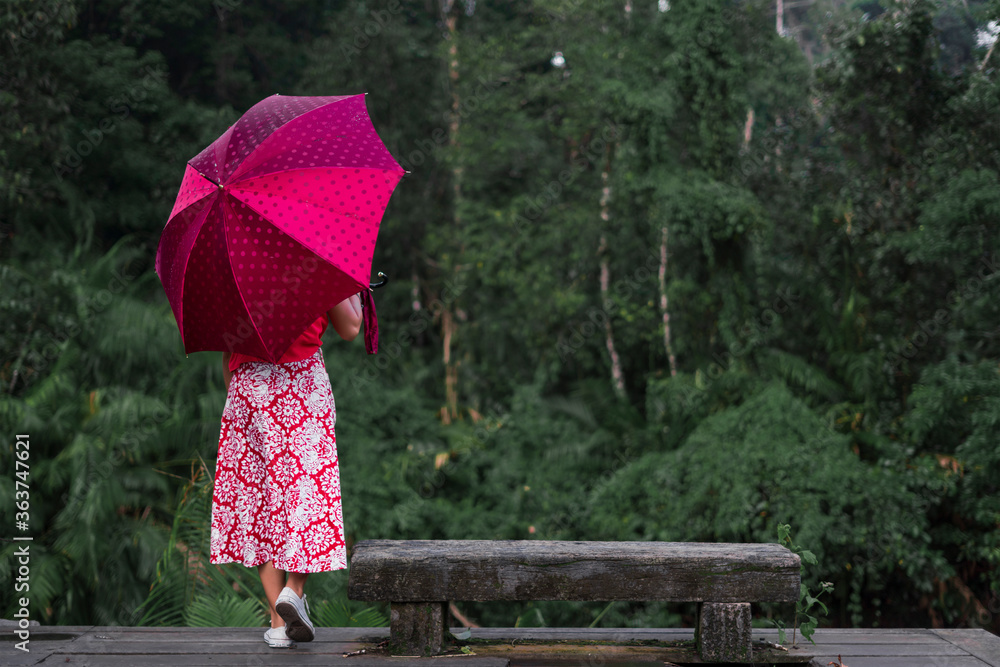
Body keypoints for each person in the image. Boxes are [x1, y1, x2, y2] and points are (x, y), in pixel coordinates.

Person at [208, 293, 364, 648]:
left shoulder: (239, 275)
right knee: (307, 492)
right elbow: (351, 328)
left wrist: (245, 402)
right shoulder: (317, 267)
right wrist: (354, 289)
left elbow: (227, 356)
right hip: (302, 381)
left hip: (248, 385)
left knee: (261, 502)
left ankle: (278, 625)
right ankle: (293, 590)